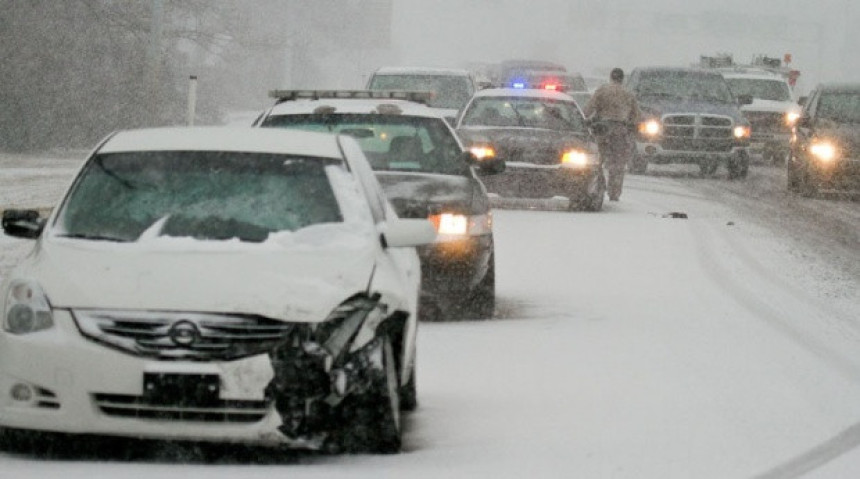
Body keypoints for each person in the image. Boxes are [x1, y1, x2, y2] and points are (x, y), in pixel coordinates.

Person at [582, 68, 640, 201]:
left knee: (597, 160)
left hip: (602, 129)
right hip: (621, 130)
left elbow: (588, 109)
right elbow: (636, 115)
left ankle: (596, 186)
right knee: (618, 164)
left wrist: (583, 120)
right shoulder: (628, 93)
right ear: (622, 78)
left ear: (611, 77)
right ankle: (614, 192)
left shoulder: (602, 90)